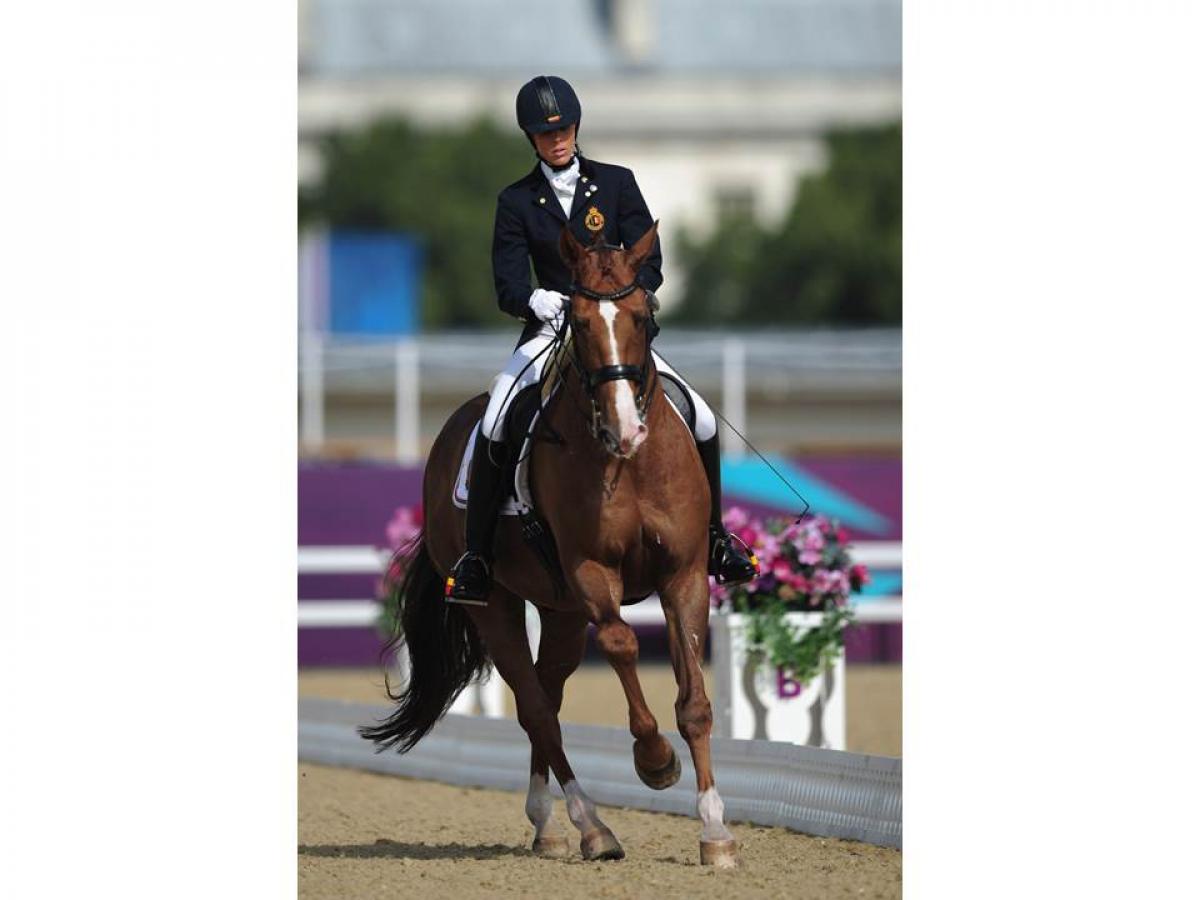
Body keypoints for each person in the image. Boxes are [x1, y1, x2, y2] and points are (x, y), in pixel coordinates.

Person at [446, 75, 757, 604]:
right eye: (546, 134)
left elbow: (648, 257)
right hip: (551, 330)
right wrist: (536, 300)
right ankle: (476, 556)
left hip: (613, 332)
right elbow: (507, 282)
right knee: (497, 417)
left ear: (576, 126)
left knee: (700, 415)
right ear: (532, 139)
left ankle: (717, 538)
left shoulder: (615, 183)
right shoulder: (517, 200)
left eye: (563, 129)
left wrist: (629, 299)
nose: (557, 139)